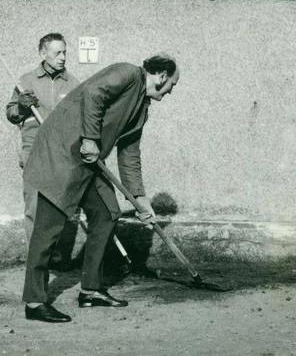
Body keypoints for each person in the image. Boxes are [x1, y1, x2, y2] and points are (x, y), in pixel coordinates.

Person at [22, 54, 180, 323]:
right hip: (61, 155)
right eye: (172, 84)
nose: (171, 90)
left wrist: (141, 199)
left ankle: (90, 290)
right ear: (162, 76)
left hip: (89, 161)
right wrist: (91, 139)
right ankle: (35, 302)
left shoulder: (141, 109)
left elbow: (129, 154)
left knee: (108, 214)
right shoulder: (127, 73)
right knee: (48, 229)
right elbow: (93, 93)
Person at [6, 33, 80, 270]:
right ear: (43, 54)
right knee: (34, 208)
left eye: (65, 52)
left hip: (61, 154)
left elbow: (81, 118)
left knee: (57, 208)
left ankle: (55, 257)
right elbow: (11, 114)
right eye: (57, 52)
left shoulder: (73, 84)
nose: (63, 57)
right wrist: (20, 106)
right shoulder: (25, 81)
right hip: (34, 152)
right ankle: (36, 261)